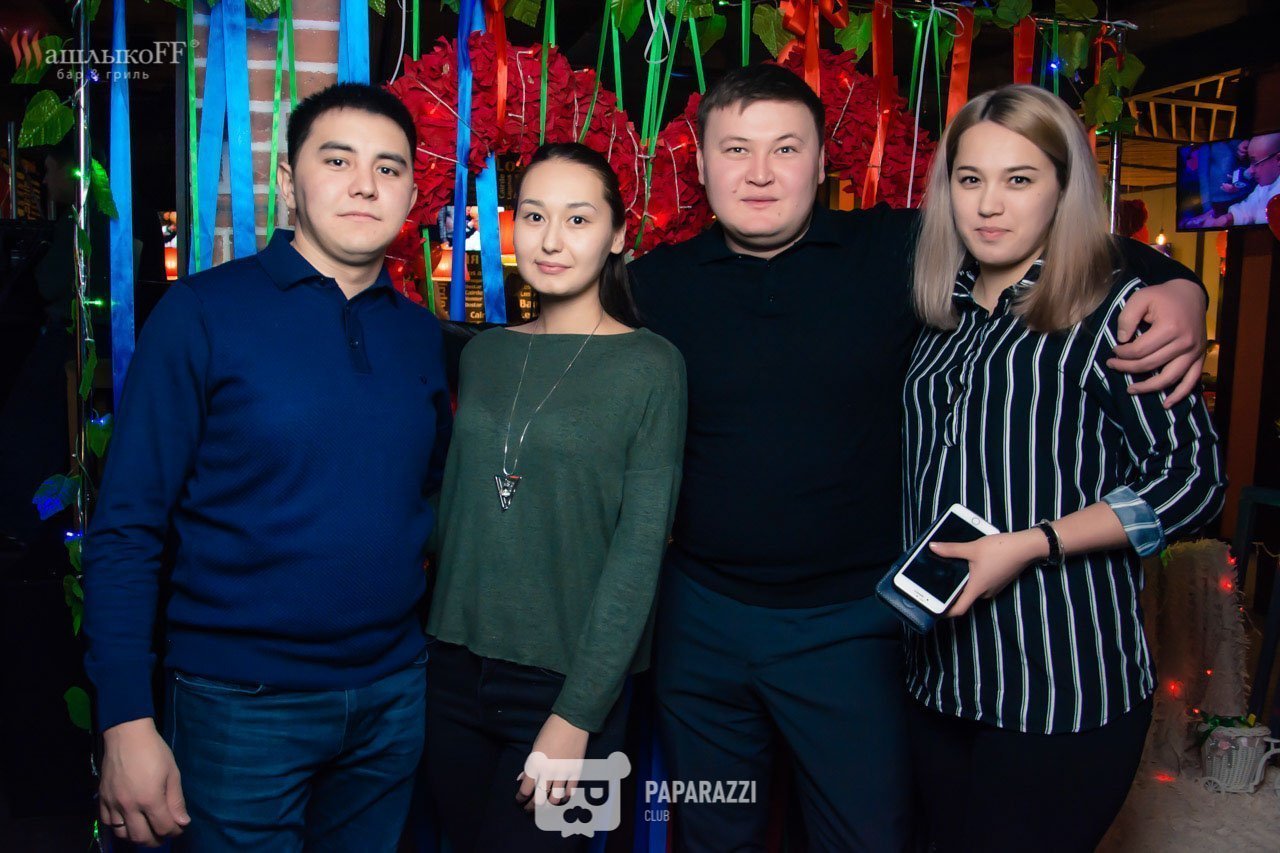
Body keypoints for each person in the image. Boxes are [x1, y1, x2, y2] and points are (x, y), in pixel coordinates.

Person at [628, 64, 1211, 851]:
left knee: (868, 836)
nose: (759, 172)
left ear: (821, 161)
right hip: (702, 621)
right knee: (710, 828)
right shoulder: (651, 285)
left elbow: (1060, 237)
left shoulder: (896, 251)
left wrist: (1180, 286)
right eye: (736, 149)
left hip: (856, 623)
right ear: (699, 165)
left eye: (785, 148)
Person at [82, 83, 452, 850]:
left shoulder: (422, 336)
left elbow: (424, 499)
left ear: (412, 194)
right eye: (337, 160)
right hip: (239, 704)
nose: (364, 184)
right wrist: (124, 717)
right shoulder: (202, 314)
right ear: (288, 181)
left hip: (391, 699)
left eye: (388, 168)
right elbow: (126, 525)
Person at [903, 83, 1226, 852]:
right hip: (938, 681)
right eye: (970, 178)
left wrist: (1032, 543)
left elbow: (1193, 479)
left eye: (1019, 179)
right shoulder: (939, 317)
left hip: (1061, 688)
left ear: (1062, 188)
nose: (989, 204)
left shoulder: (1114, 312)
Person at [423, 142, 686, 851]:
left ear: (617, 234)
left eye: (578, 218)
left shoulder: (652, 365)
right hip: (451, 668)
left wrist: (578, 714)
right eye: (534, 215)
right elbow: (456, 510)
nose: (550, 239)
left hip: (567, 681)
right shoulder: (485, 354)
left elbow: (638, 555)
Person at [1182, 131, 1280, 228]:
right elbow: (1249, 208)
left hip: (1239, 195)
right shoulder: (1262, 188)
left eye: (1255, 162)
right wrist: (1223, 218)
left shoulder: (1238, 144)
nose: (1251, 170)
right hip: (1218, 201)